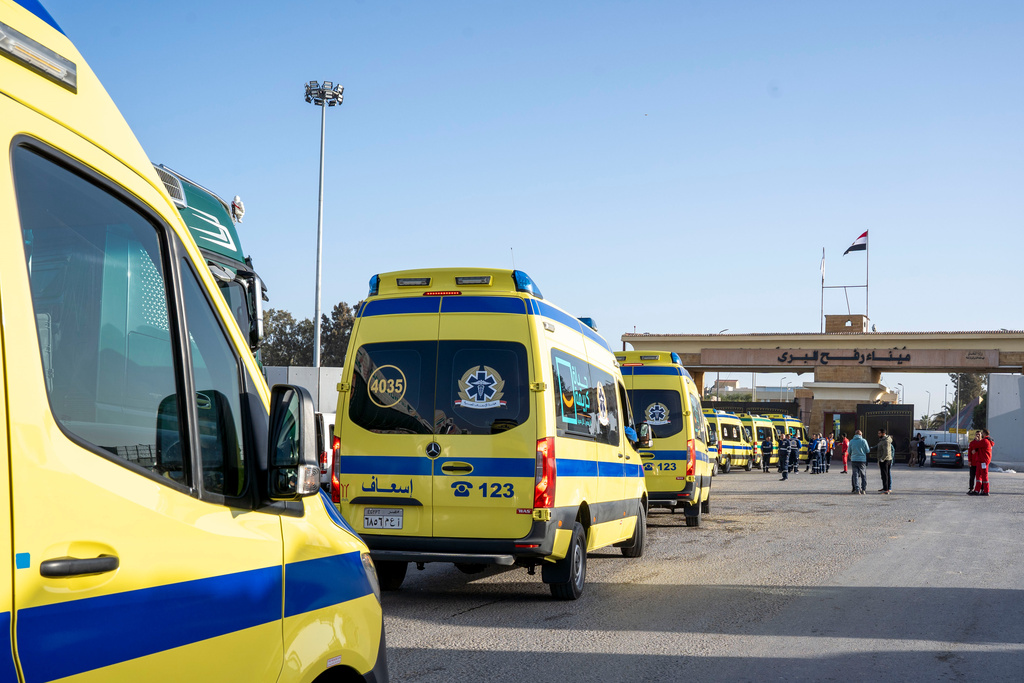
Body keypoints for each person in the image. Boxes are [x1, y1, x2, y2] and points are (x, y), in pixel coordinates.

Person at [875, 429, 893, 494]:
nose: (878, 434)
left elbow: (886, 452)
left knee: (885, 475)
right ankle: (885, 487)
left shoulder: (885, 441)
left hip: (885, 460)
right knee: (884, 474)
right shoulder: (883, 440)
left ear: (883, 434)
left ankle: (887, 489)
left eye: (879, 433)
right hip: (885, 459)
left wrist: (882, 459)